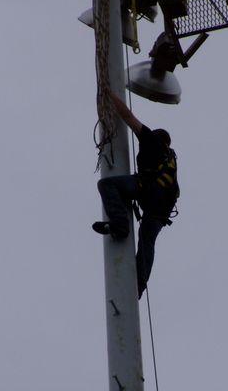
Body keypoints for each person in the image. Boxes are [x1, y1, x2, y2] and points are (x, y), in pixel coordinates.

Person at [92, 91, 179, 299]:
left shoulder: (152, 141)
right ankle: (139, 284)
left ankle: (120, 224)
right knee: (147, 241)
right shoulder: (170, 158)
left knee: (107, 185)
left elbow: (129, 117)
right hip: (160, 210)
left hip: (146, 190)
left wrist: (109, 95)